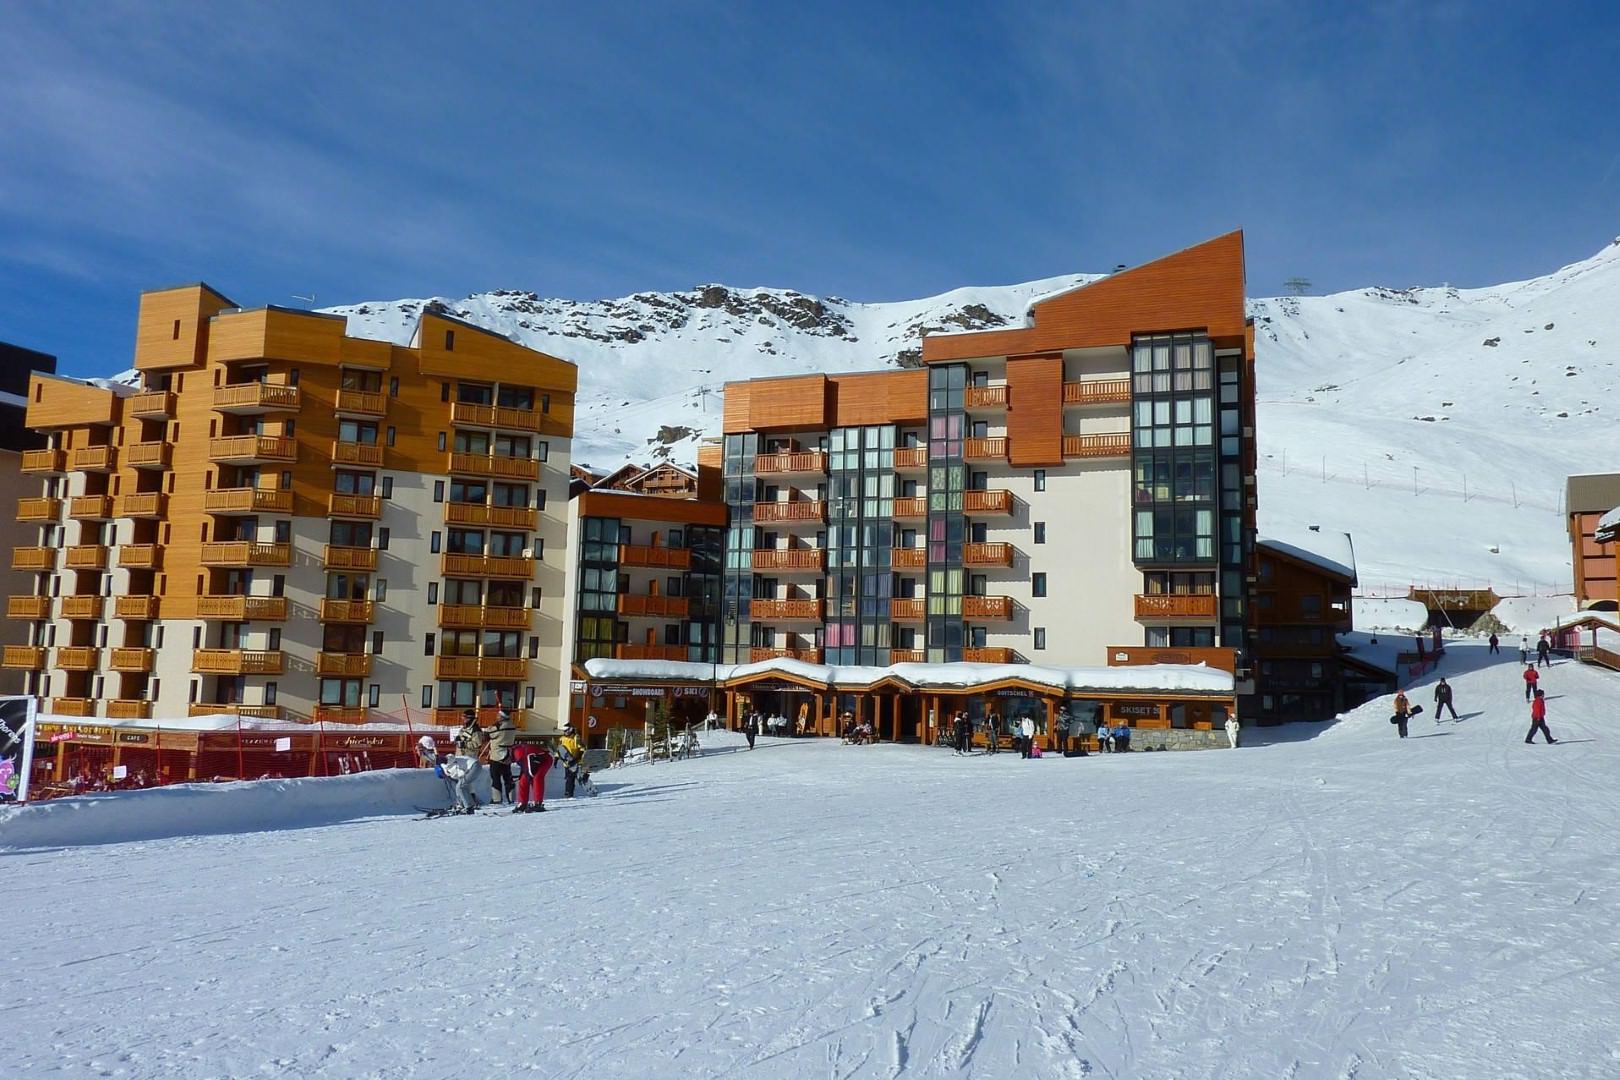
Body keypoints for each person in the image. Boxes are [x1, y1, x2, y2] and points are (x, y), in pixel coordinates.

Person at [486, 710, 518, 806]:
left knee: (495, 777)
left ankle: (497, 798)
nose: (496, 716)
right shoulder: (512, 726)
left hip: (496, 755)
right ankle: (511, 797)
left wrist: (493, 725)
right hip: (507, 754)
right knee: (508, 777)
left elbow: (489, 733)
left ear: (502, 717)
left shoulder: (498, 727)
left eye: (498, 715)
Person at [512, 741, 552, 812]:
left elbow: (529, 769)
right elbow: (525, 766)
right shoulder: (516, 751)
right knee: (522, 781)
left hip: (545, 760)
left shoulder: (519, 754)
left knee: (537, 778)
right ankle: (522, 803)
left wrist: (529, 776)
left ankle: (538, 804)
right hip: (534, 761)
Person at [558, 724, 585, 798]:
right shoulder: (562, 738)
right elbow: (560, 749)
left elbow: (582, 749)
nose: (565, 732)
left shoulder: (576, 738)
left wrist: (577, 759)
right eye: (564, 731)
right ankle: (569, 792)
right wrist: (556, 758)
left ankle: (569, 793)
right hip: (566, 762)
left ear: (570, 730)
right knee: (568, 778)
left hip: (575, 761)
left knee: (571, 778)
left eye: (566, 731)